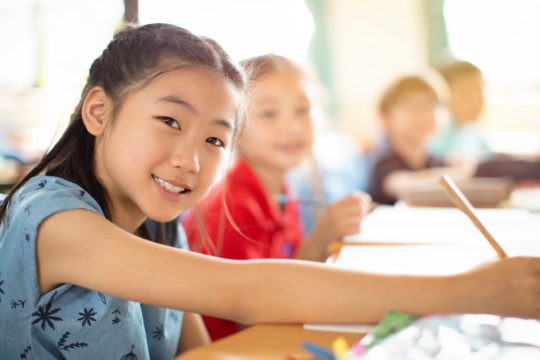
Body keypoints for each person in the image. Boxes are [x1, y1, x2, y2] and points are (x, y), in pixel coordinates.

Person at [0, 24, 539, 359]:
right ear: (99, 111)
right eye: (169, 120)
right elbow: (247, 291)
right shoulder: (57, 222)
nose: (190, 158)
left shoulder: (160, 220)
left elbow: (198, 353)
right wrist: (470, 292)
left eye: (216, 138)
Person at [181, 54, 370, 340]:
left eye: (303, 110)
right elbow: (255, 313)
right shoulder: (229, 210)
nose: (292, 126)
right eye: (269, 113)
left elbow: (291, 274)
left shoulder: (282, 191)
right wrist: (320, 239)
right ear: (235, 125)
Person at [366, 75, 473, 205]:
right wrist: (468, 173)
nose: (423, 114)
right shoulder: (382, 159)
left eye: (430, 105)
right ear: (385, 116)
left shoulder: (433, 159)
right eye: (412, 105)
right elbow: (402, 186)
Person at [429, 60, 492, 163]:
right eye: (466, 93)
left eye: (480, 91)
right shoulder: (433, 138)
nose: (477, 102)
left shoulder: (475, 133)